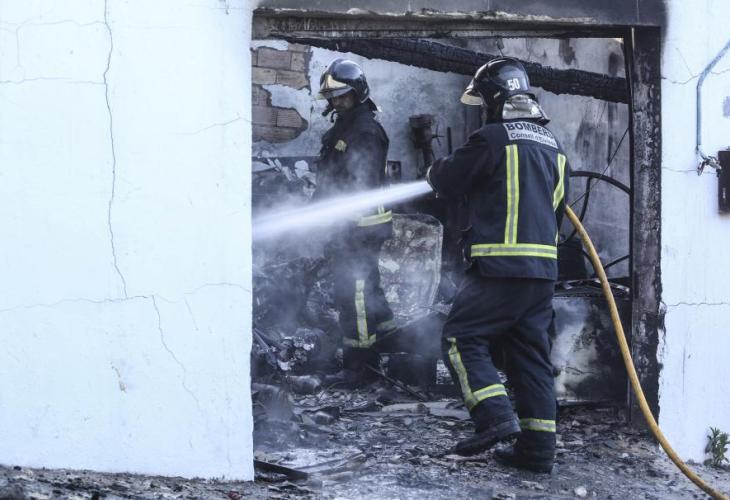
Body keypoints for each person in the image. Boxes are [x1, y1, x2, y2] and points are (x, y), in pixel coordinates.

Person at [426, 57, 570, 473]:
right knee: (530, 355)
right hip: (542, 273)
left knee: (461, 337)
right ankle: (537, 450)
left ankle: (493, 417)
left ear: (493, 99)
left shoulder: (491, 139)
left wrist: (433, 171)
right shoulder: (554, 147)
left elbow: (448, 180)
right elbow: (559, 209)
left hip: (499, 267)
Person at [313, 58, 396, 385]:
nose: (336, 102)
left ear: (357, 93)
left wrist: (336, 220)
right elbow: (332, 178)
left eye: (342, 96)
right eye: (332, 98)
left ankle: (359, 367)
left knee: (354, 293)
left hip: (361, 227)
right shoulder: (346, 126)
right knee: (369, 288)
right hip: (351, 225)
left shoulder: (365, 130)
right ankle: (396, 346)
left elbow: (360, 185)